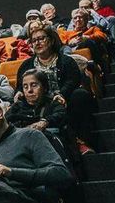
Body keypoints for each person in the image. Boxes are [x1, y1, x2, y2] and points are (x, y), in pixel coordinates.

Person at [16, 25, 98, 156]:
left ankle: (81, 141)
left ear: (51, 40)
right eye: (34, 40)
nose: (37, 43)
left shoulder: (66, 60)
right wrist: (19, 92)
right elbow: (20, 85)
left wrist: (61, 94)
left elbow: (73, 80)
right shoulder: (26, 65)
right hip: (39, 102)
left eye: (41, 38)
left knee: (80, 95)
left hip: (63, 98)